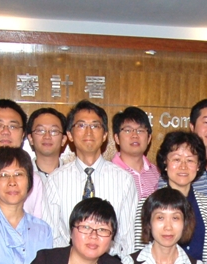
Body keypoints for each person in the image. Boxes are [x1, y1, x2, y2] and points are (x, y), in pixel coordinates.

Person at [45, 100, 138, 255]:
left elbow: (127, 239)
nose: (88, 132)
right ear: (70, 135)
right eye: (81, 125)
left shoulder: (124, 180)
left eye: (95, 126)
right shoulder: (55, 180)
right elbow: (52, 235)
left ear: (104, 136)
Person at [155, 130, 207, 262]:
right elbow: (140, 253)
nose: (183, 166)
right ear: (165, 163)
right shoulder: (149, 203)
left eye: (190, 160)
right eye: (176, 159)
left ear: (198, 165)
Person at [111, 106, 161, 199]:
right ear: (117, 138)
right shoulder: (108, 174)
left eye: (140, 130)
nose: (134, 135)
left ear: (149, 138)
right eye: (128, 130)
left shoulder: (158, 174)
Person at [26, 107, 68, 182]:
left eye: (54, 131)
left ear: (63, 140)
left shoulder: (74, 176)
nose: (47, 136)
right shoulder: (22, 176)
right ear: (30, 138)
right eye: (40, 130)